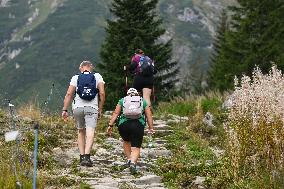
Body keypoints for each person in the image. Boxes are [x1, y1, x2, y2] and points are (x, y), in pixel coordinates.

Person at [62, 60, 105, 167]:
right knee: (90, 131)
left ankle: (81, 157)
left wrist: (64, 109)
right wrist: (100, 109)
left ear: (81, 68)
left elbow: (68, 94)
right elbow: (102, 93)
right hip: (92, 107)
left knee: (81, 131)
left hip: (77, 108)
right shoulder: (97, 76)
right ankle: (87, 156)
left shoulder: (76, 77)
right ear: (91, 67)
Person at [107, 88, 154, 174]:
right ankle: (133, 163)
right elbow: (149, 115)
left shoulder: (122, 100)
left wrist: (110, 125)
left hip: (124, 125)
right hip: (138, 125)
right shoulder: (142, 101)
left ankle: (129, 159)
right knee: (136, 147)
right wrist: (151, 128)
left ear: (127, 94)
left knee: (126, 141)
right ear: (137, 94)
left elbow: (116, 113)